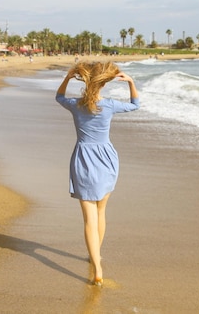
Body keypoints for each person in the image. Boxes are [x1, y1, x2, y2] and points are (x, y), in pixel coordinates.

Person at [55, 60, 139, 286]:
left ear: (85, 80)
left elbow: (59, 97)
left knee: (89, 218)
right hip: (107, 159)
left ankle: (98, 268)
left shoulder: (75, 104)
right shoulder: (110, 105)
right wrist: (130, 82)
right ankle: (96, 256)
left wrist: (67, 77)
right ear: (103, 83)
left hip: (84, 159)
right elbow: (135, 104)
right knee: (101, 212)